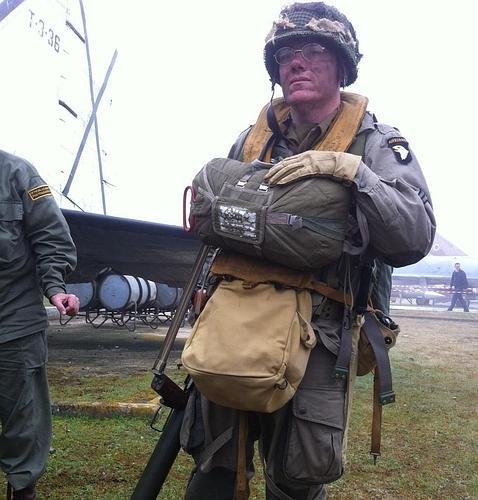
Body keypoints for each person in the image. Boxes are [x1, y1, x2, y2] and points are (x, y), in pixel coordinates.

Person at [180, 3, 436, 499]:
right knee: (212, 465)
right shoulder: (251, 142)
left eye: (314, 51)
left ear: (342, 64)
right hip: (233, 320)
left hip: (317, 333)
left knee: (297, 478)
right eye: (285, 55)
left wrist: (355, 174)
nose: (295, 63)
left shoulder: (377, 143)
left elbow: (414, 235)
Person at [0, 150, 79, 500]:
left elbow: (51, 238)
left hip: (13, 323)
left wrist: (56, 287)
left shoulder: (18, 174)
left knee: (24, 423)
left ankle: (22, 490)